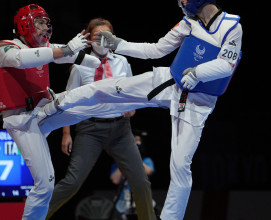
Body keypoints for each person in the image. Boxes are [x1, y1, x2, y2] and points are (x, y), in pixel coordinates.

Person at [38, 1, 242, 219]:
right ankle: (52, 106)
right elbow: (154, 50)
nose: (181, 3)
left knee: (181, 165)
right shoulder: (188, 23)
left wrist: (198, 73)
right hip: (170, 83)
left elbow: (226, 64)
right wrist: (119, 43)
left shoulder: (231, 26)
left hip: (198, 102)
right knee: (109, 89)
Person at [0, 4, 101, 220]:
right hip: (22, 123)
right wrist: (66, 49)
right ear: (25, 24)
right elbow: (23, 59)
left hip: (43, 113)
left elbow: (81, 59)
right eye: (40, 22)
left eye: (48, 24)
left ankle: (135, 95)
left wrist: (98, 54)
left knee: (90, 101)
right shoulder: (6, 47)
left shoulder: (49, 47)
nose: (46, 29)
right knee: (45, 184)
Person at [45, 18, 156, 220]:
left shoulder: (122, 62)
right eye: (97, 36)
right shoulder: (80, 65)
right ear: (89, 39)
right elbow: (67, 100)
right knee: (72, 182)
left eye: (107, 36)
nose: (102, 40)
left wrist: (132, 109)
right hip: (90, 129)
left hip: (121, 130)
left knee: (140, 182)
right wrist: (66, 133)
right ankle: (36, 216)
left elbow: (132, 91)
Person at [110, 129, 157, 219]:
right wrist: (124, 159)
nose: (135, 144)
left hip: (142, 198)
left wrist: (135, 157)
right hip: (123, 201)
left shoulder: (147, 160)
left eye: (137, 141)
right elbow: (115, 180)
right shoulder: (119, 161)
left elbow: (148, 172)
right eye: (133, 141)